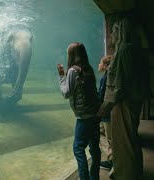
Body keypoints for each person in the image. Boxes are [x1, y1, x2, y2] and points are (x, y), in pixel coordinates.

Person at [98, 14, 148, 180]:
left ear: (120, 32)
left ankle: (127, 175)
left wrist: (103, 108)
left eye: (113, 31)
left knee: (124, 143)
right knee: (130, 141)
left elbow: (120, 85)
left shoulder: (125, 50)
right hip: (130, 102)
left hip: (123, 104)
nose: (111, 35)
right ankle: (129, 173)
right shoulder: (133, 49)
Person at [57, 42, 101, 180]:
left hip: (84, 117)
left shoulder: (72, 71)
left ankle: (84, 178)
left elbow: (66, 93)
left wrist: (61, 76)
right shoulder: (88, 68)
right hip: (94, 114)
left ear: (71, 55)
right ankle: (95, 177)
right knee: (94, 149)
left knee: (78, 149)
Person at [97, 55, 113, 172]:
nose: (99, 65)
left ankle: (112, 160)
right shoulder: (108, 76)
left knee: (109, 137)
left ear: (106, 66)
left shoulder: (105, 78)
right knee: (101, 133)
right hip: (108, 113)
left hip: (105, 113)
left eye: (100, 63)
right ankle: (111, 158)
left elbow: (101, 95)